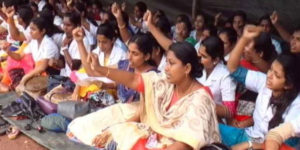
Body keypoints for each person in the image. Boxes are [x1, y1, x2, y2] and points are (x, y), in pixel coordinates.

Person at [67, 41, 220, 150]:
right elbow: (134, 80)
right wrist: (101, 69)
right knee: (91, 128)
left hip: (174, 146)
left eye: (171, 64)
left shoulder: (200, 99)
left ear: (187, 68)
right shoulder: (166, 82)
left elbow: (185, 144)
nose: (166, 68)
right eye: (166, 62)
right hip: (155, 138)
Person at [220, 25, 300, 150]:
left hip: (268, 147)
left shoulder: (297, 105)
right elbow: (233, 68)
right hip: (248, 136)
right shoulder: (264, 82)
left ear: (288, 84)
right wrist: (244, 39)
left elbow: (283, 145)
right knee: (206, 125)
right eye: (271, 70)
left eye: (276, 75)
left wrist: (250, 146)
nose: (269, 75)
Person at [4, 16, 59, 88]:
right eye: (30, 29)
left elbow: (42, 67)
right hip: (37, 71)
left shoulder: (49, 44)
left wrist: (25, 78)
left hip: (48, 74)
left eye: (33, 29)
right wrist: (8, 52)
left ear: (42, 31)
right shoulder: (34, 42)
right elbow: (20, 56)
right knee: (12, 62)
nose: (30, 32)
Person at [197, 36, 237, 119]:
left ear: (216, 60)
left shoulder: (225, 76)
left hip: (215, 120)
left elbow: (229, 111)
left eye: (204, 57)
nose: (200, 59)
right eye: (199, 55)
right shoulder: (199, 68)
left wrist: (202, 104)